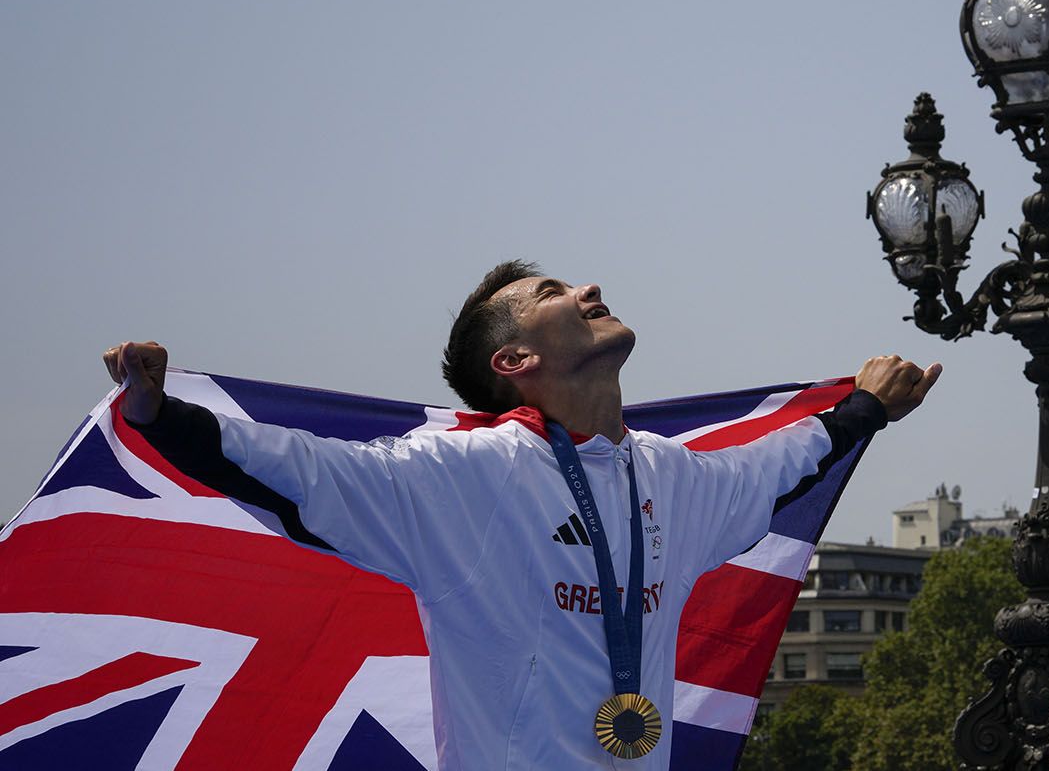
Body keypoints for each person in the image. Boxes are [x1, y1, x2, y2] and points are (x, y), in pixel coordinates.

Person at [101, 259, 940, 769]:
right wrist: (160, 417)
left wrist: (866, 408)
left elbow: (783, 464)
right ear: (516, 359)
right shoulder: (471, 476)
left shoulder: (672, 478)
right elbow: (304, 471)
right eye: (554, 290)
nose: (590, 286)